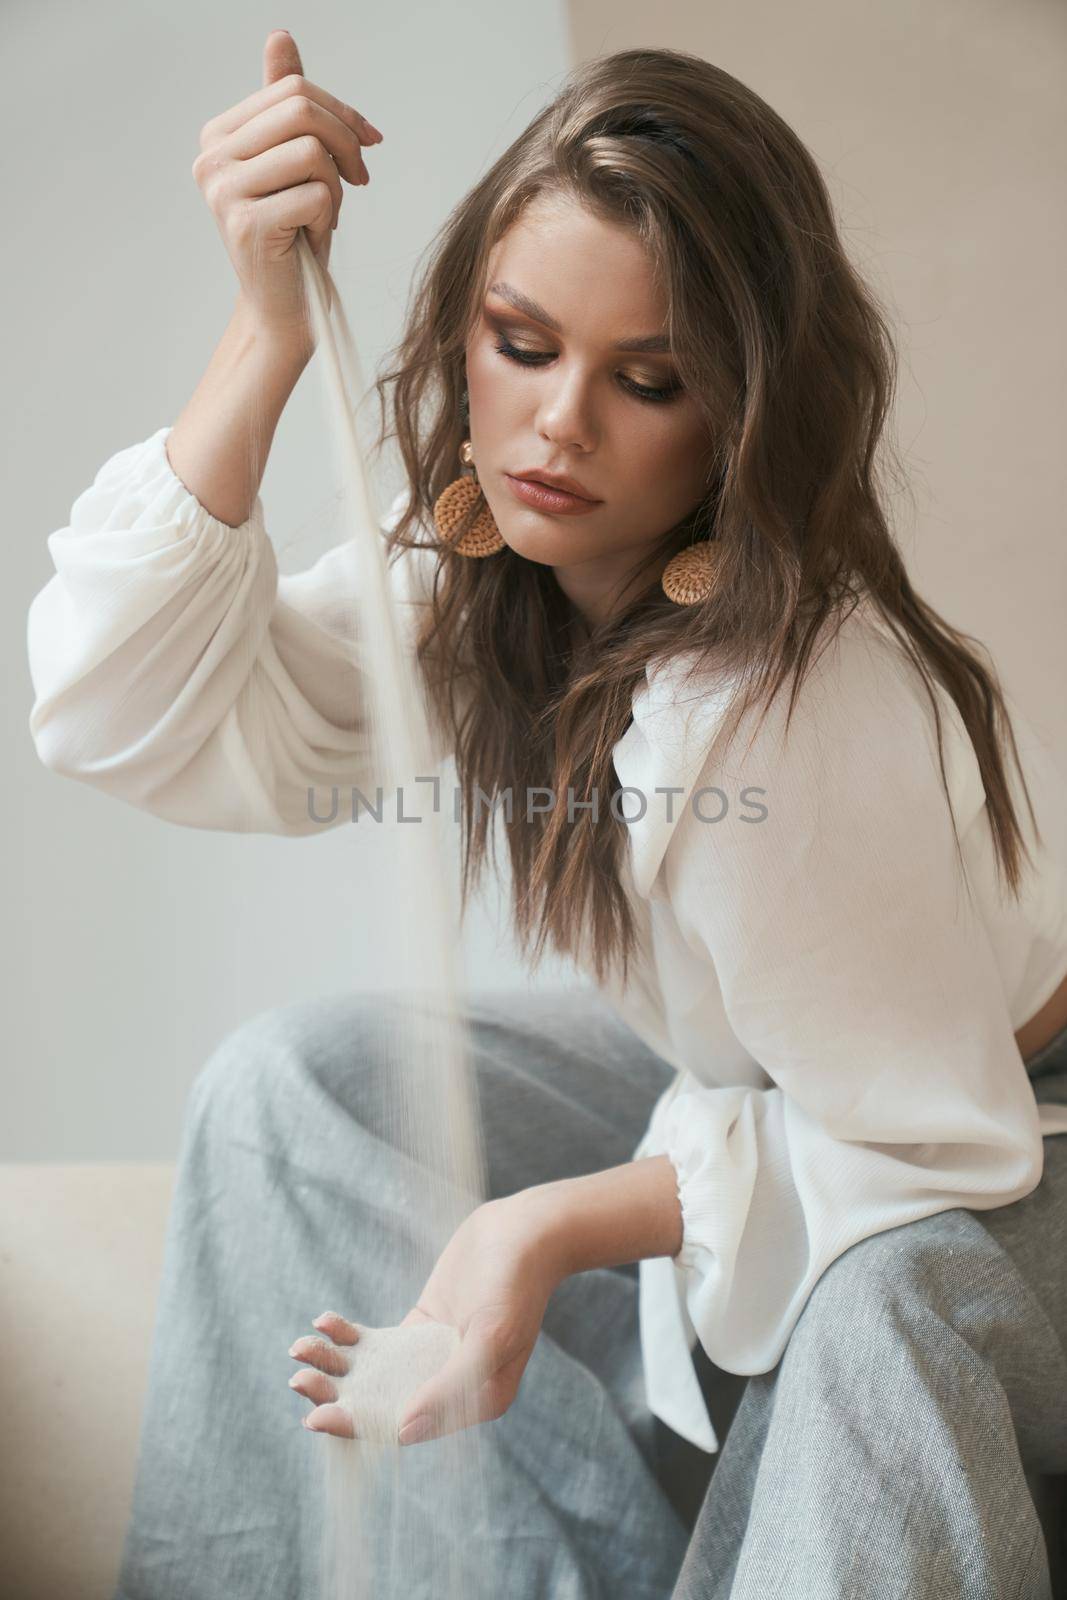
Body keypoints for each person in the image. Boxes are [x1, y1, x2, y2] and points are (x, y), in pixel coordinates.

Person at [25, 29, 1067, 1600]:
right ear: (462, 332)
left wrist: (545, 1228)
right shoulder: (480, 578)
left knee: (878, 1300)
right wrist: (266, 330)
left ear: (741, 418)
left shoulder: (775, 698)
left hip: (1000, 1137)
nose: (557, 427)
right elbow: (117, 713)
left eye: (648, 381)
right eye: (521, 344)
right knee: (293, 1090)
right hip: (759, 1090)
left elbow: (929, 1141)